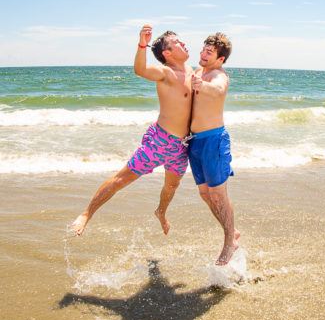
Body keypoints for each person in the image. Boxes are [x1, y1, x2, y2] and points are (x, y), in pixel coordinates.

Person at [72, 25, 193, 236]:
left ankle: (161, 212)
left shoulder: (193, 72)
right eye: (177, 43)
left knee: (171, 187)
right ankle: (87, 213)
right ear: (167, 53)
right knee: (122, 179)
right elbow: (140, 70)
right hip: (161, 141)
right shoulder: (166, 72)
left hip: (182, 146)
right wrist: (142, 45)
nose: (183, 43)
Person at [189, 33, 239, 266]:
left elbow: (218, 90)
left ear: (220, 59)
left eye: (209, 52)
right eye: (203, 50)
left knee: (218, 194)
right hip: (195, 142)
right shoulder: (197, 72)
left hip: (214, 141)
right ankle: (232, 232)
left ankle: (229, 241)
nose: (203, 54)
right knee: (205, 194)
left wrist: (203, 86)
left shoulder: (220, 75)